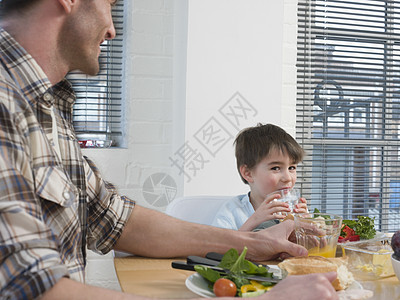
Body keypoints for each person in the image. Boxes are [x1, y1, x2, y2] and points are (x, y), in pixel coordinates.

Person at [0, 1, 339, 299]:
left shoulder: (46, 108)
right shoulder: (5, 102)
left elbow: (119, 221)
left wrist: (258, 243)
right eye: (109, 3)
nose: (113, 29)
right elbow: (30, 287)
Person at [212, 124, 308, 231]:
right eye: (275, 168)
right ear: (248, 173)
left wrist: (306, 227)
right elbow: (220, 247)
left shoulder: (294, 209)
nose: (288, 178)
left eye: (291, 167)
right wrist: (254, 220)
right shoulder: (232, 212)